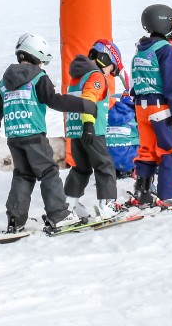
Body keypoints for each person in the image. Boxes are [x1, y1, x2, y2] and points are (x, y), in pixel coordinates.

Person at [0, 33, 98, 233]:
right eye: (43, 61)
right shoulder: (38, 77)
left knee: (23, 175)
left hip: (14, 139)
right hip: (34, 136)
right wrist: (83, 104)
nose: (43, 66)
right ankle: (59, 215)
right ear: (36, 56)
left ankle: (15, 220)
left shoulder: (3, 84)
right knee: (48, 172)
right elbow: (55, 100)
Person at [131, 4, 172, 206]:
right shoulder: (165, 50)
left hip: (141, 107)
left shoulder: (141, 49)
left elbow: (136, 82)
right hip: (160, 107)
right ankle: (169, 193)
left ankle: (143, 192)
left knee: (146, 150)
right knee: (169, 150)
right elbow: (171, 83)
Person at [64, 39, 124, 220]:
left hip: (75, 132)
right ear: (104, 59)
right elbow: (89, 97)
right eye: (111, 69)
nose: (110, 74)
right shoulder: (96, 76)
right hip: (92, 130)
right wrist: (89, 124)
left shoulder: (76, 78)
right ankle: (107, 204)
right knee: (104, 165)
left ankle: (70, 204)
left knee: (81, 168)